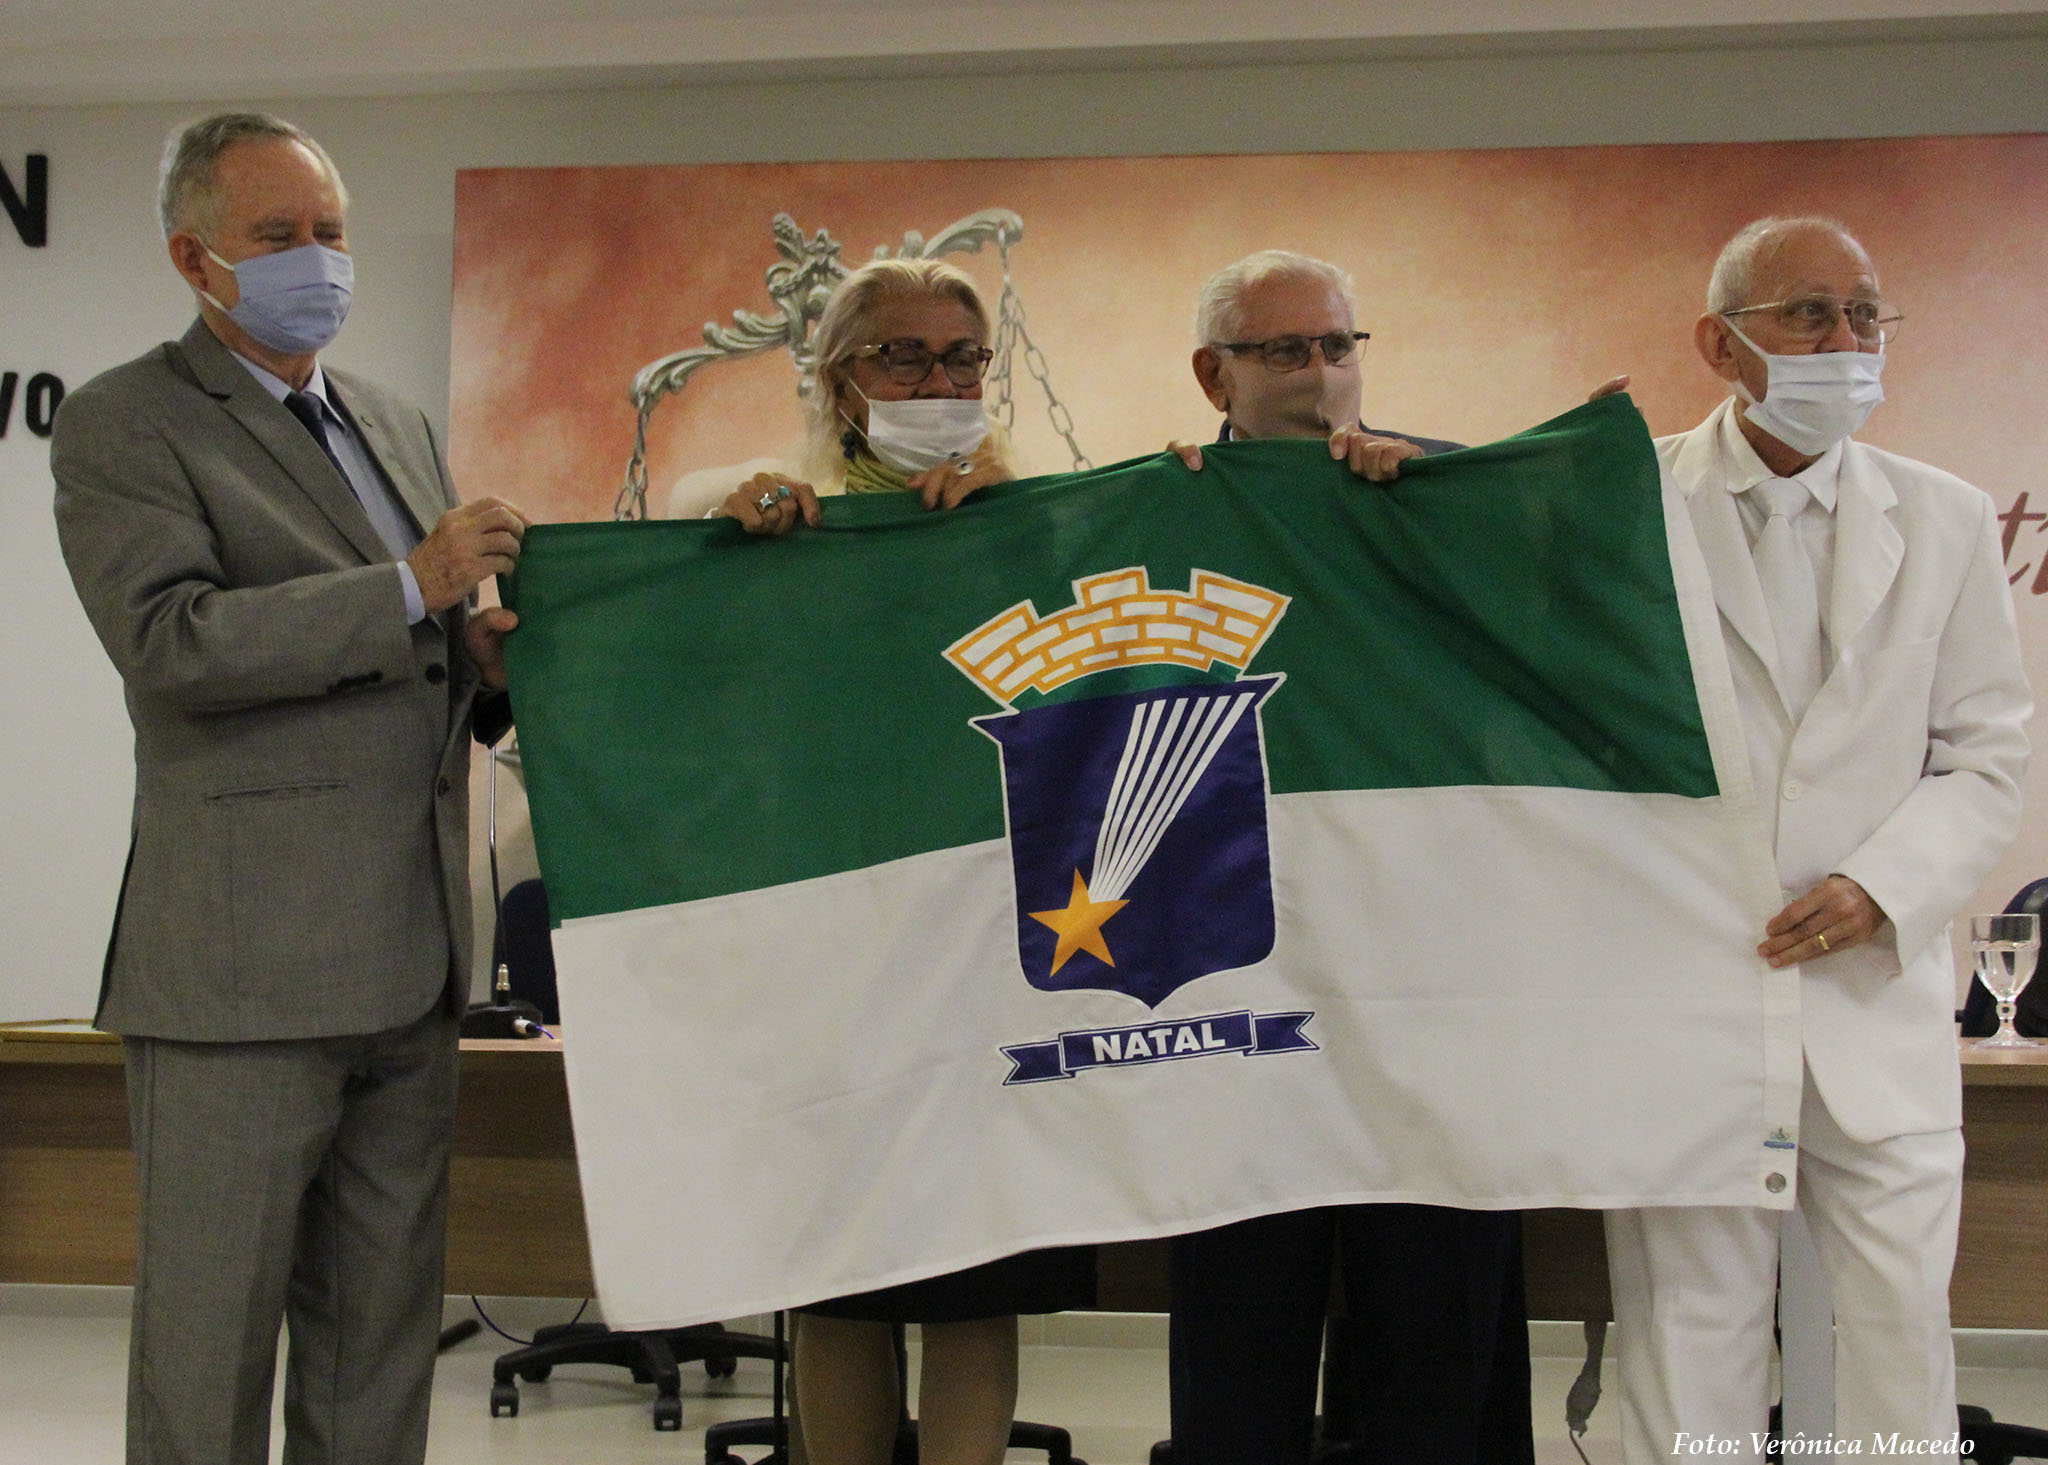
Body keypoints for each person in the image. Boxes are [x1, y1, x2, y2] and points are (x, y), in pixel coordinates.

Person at [50, 112, 526, 1465]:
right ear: (193, 259)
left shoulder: (394, 422)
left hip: (411, 957)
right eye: (277, 236)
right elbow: (171, 640)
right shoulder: (125, 420)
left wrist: (485, 661)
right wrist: (413, 584)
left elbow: (418, 654)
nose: (316, 259)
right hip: (239, 973)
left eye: (329, 232)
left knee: (378, 1340)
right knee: (209, 1346)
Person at [1604, 216, 2030, 1460]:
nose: (1844, 340)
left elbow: (1984, 755)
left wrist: (1878, 887)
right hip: (1684, 991)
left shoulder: (1945, 516)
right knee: (1690, 1330)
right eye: (1805, 314)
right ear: (1717, 342)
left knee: (1894, 1328)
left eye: (1862, 313)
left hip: (1869, 993)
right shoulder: (1620, 503)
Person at [719, 256, 1094, 1465]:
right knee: (843, 1274)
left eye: (963, 358)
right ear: (840, 384)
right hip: (838, 960)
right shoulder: (779, 523)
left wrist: (1020, 527)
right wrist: (734, 539)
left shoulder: (1038, 520)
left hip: (1002, 946)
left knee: (977, 1276)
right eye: (904, 358)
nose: (940, 383)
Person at [1164, 250, 1536, 1465]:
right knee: (1238, 1342)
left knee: (1433, 1346)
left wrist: (1440, 515)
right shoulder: (1160, 511)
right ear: (1212, 374)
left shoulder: (1441, 497)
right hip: (1238, 987)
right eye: (1283, 349)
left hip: (1426, 991)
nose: (1318, 372)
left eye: (1336, 345)